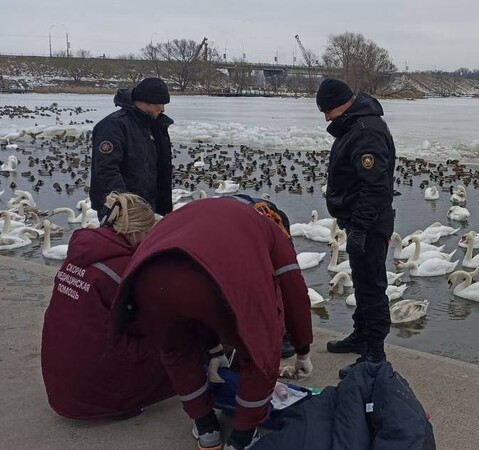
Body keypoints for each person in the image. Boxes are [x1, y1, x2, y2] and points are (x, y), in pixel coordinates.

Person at [113, 196, 314, 450]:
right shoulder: (271, 229)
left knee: (177, 352)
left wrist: (214, 349)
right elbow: (294, 292)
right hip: (212, 283)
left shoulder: (196, 212)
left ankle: (206, 428)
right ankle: (243, 437)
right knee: (259, 349)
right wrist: (303, 349)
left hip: (148, 279)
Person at [41, 192, 173, 420]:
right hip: (92, 392)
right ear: (136, 232)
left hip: (60, 383)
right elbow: (147, 324)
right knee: (178, 345)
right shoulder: (124, 269)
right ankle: (122, 401)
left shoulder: (79, 253)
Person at [316, 79, 396, 378]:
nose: (326, 118)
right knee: (362, 283)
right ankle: (361, 335)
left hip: (371, 223)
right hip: (359, 221)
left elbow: (375, 188)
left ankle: (374, 354)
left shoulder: (367, 132)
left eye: (328, 110)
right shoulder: (355, 126)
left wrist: (361, 228)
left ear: (346, 102)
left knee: (372, 286)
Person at [90, 77, 174, 219]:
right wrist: (124, 208)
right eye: (160, 104)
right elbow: (106, 171)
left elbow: (158, 168)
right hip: (122, 211)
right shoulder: (113, 126)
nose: (163, 109)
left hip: (149, 207)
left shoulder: (154, 126)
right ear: (147, 102)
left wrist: (163, 208)